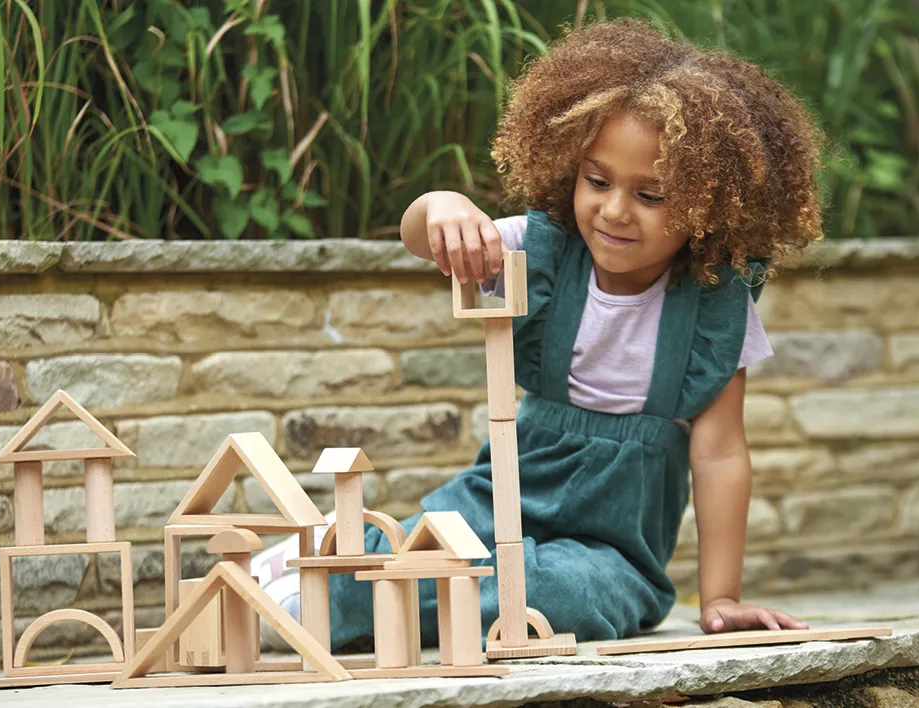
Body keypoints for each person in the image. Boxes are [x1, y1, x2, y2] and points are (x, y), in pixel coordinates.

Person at [253, 17, 824, 651]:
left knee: (551, 597)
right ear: (571, 168)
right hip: (486, 506)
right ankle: (320, 576)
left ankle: (377, 587)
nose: (612, 210)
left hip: (610, 554)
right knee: (418, 557)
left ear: (711, 205)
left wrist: (719, 599)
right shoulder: (542, 252)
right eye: (598, 180)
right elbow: (421, 237)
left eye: (652, 194)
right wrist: (442, 204)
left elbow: (719, 454)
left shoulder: (713, 309)